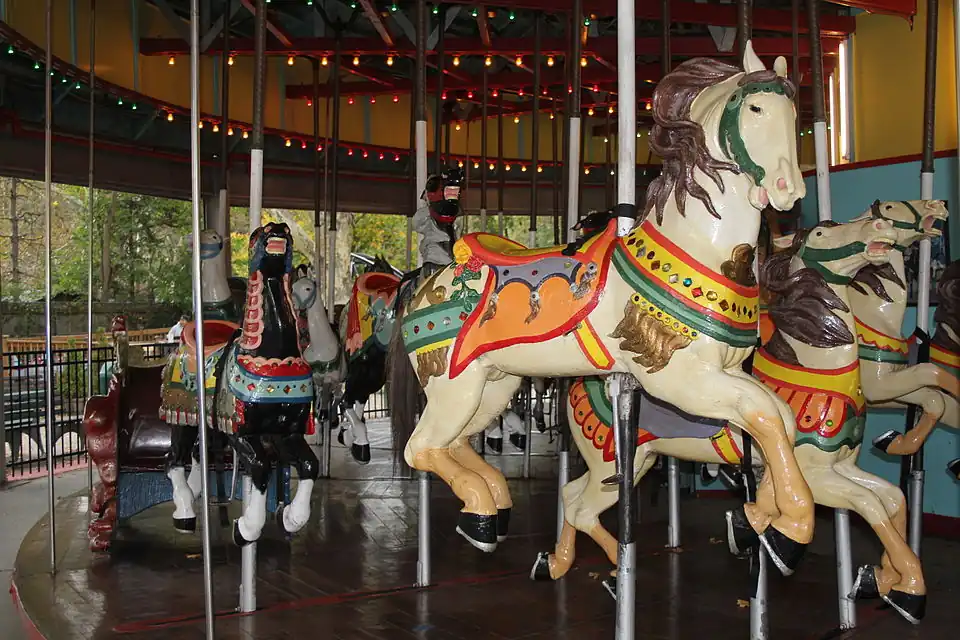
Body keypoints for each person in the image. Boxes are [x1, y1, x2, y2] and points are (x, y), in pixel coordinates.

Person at [412, 166, 463, 277]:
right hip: (435, 259)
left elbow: (458, 228)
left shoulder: (455, 213)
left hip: (453, 259)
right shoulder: (426, 214)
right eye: (446, 190)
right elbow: (416, 224)